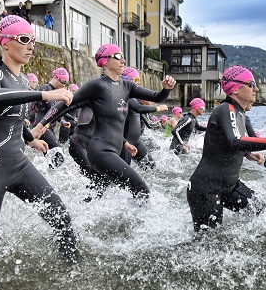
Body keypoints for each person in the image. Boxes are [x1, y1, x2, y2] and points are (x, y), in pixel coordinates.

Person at [0, 15, 78, 260]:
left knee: (62, 218)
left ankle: (70, 275)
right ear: (5, 42)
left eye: (33, 40)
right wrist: (42, 94)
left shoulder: (20, 79)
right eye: (24, 39)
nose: (31, 45)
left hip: (19, 164)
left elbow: (15, 119)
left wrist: (30, 139)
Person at [33, 44, 175, 199]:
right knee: (142, 191)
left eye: (123, 56)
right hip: (101, 151)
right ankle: (139, 223)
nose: (123, 60)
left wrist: (166, 89)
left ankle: (82, 217)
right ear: (106, 61)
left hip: (114, 149)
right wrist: (41, 126)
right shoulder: (96, 86)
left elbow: (156, 97)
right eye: (119, 56)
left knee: (96, 194)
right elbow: (65, 102)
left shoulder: (127, 85)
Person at [186, 66, 266, 231]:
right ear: (236, 89)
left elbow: (226, 142)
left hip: (230, 186)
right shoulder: (226, 109)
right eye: (251, 84)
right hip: (206, 188)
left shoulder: (241, 114)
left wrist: (248, 154)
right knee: (208, 243)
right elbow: (235, 140)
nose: (256, 88)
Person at [120, 67, 166, 168]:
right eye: (136, 80)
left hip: (136, 142)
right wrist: (157, 108)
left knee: (151, 166)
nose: (139, 83)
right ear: (126, 80)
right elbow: (139, 108)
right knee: (124, 174)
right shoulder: (126, 97)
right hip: (126, 144)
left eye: (139, 80)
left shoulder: (133, 98)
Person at [32, 66, 71, 167]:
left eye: (65, 84)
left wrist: (62, 122)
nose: (63, 86)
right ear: (56, 78)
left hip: (48, 127)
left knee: (50, 156)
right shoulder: (46, 88)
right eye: (63, 82)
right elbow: (52, 110)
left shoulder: (54, 90)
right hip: (43, 127)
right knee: (59, 155)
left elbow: (55, 113)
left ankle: (45, 176)